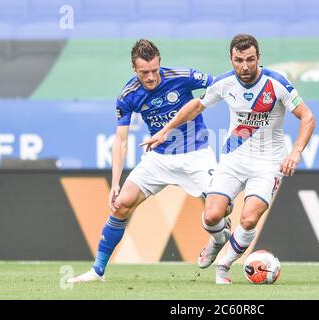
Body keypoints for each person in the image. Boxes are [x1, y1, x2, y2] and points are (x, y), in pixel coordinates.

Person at [144, 34, 315, 284]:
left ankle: (223, 265)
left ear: (259, 58)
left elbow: (308, 117)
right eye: (238, 60)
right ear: (231, 59)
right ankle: (217, 240)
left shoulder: (277, 83)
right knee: (212, 215)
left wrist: (296, 151)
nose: (244, 66)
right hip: (234, 158)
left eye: (250, 59)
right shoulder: (224, 83)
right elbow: (196, 106)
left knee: (248, 218)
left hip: (268, 163)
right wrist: (164, 131)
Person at [67, 39, 231, 283]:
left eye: (155, 70)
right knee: (121, 204)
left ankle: (218, 239)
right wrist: (115, 183)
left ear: (160, 63)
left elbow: (222, 84)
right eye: (145, 72)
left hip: (195, 154)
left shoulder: (182, 76)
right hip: (158, 159)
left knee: (222, 210)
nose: (152, 76)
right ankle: (97, 271)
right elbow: (120, 141)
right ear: (134, 69)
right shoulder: (128, 95)